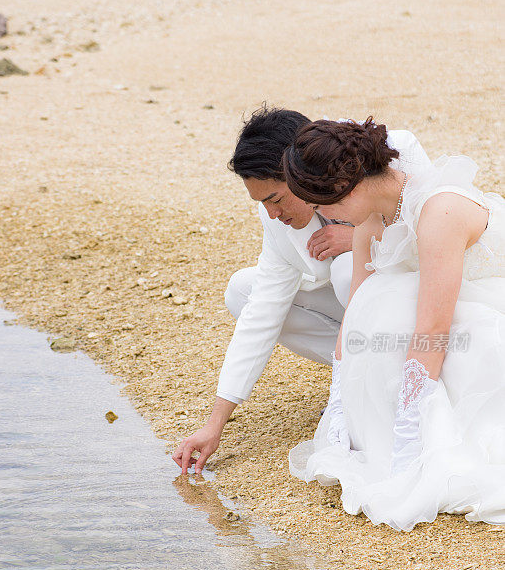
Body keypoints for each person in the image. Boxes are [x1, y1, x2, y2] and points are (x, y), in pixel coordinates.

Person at [173, 108, 431, 476]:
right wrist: (214, 425)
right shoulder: (275, 218)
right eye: (262, 202)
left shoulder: (395, 149)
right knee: (243, 291)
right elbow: (263, 310)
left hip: (419, 296)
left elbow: (438, 233)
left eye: (275, 198)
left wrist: (362, 238)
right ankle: (361, 370)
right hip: (355, 314)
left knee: (346, 271)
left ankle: (394, 372)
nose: (272, 213)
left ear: (298, 170)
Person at [284, 117, 505, 531]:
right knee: (376, 302)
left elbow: (433, 328)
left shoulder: (438, 210)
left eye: (321, 205)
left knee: (396, 305)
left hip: (491, 312)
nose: (322, 217)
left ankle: (422, 434)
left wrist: (409, 433)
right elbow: (355, 314)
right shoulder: (373, 217)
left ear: (348, 187)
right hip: (449, 315)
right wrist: (339, 400)